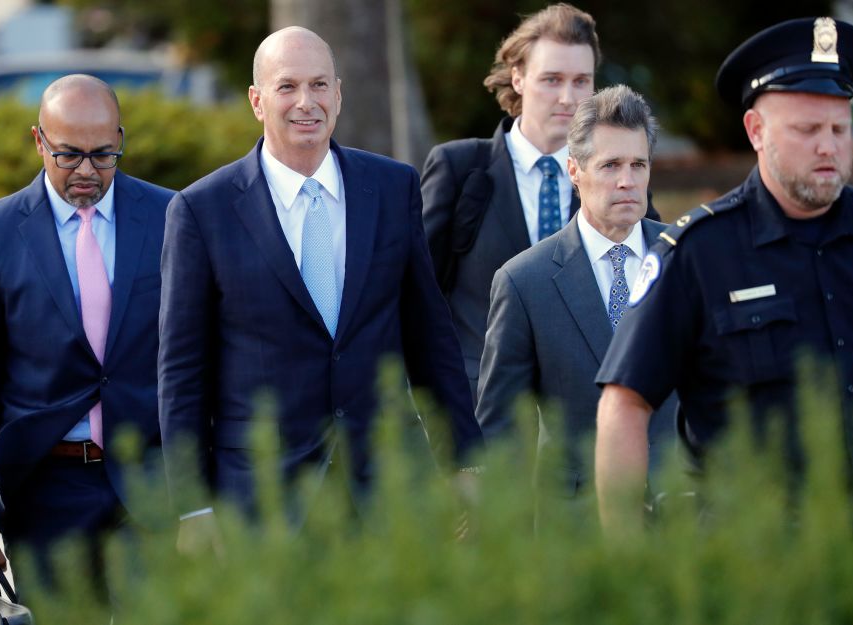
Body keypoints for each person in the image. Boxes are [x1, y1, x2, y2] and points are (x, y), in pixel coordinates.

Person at [158, 26, 482, 549]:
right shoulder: (201, 211)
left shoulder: (392, 188)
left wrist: (465, 460)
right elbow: (182, 370)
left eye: (319, 85)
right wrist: (192, 506)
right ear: (257, 101)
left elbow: (430, 335)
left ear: (338, 93)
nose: (305, 103)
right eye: (287, 87)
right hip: (261, 499)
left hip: (387, 489)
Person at [594, 17, 853, 532]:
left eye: (839, 130)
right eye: (807, 129)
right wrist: (626, 555)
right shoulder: (698, 254)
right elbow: (625, 403)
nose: (829, 147)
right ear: (756, 131)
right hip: (759, 559)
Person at [0, 75, 174, 581]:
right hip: (45, 486)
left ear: (121, 139)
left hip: (153, 479)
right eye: (68, 155)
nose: (87, 172)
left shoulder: (171, 215)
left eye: (102, 155)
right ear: (39, 141)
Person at [423, 4, 660, 399]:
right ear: (518, 78)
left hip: (583, 412)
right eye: (552, 79)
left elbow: (650, 280)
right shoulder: (459, 169)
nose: (568, 98)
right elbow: (420, 295)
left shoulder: (621, 177)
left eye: (582, 81)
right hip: (480, 407)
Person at [477, 85, 676, 505]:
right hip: (574, 524)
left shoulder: (687, 258)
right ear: (573, 170)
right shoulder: (523, 281)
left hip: (683, 514)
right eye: (610, 166)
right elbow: (503, 431)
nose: (627, 180)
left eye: (638, 164)